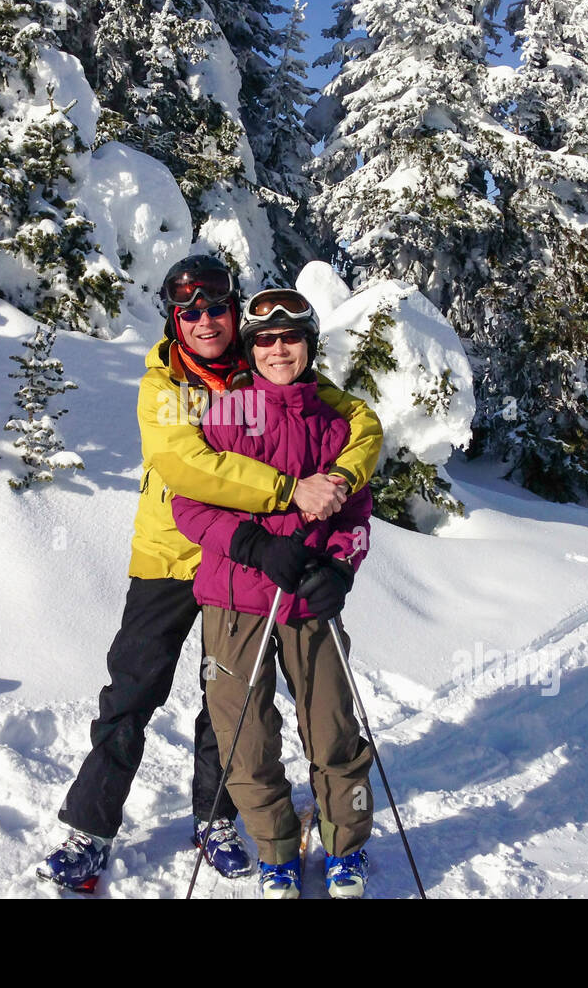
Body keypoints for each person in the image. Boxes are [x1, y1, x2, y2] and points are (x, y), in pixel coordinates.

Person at [36, 256, 383, 892]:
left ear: (235, 312)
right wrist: (288, 492)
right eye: (188, 311)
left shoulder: (265, 363)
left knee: (226, 704)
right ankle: (90, 828)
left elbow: (356, 422)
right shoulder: (164, 384)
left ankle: (217, 815)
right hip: (175, 555)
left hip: (242, 571)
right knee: (133, 690)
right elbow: (186, 466)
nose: (203, 320)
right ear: (174, 319)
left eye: (215, 307)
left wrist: (338, 479)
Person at [171, 288, 376, 899]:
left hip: (310, 600)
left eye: (290, 338)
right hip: (235, 601)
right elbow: (190, 506)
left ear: (309, 346)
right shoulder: (227, 415)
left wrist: (339, 567)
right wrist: (255, 547)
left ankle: (345, 847)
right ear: (250, 347)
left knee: (333, 729)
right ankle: (277, 850)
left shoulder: (337, 424)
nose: (278, 349)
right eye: (265, 339)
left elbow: (358, 513)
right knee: (245, 739)